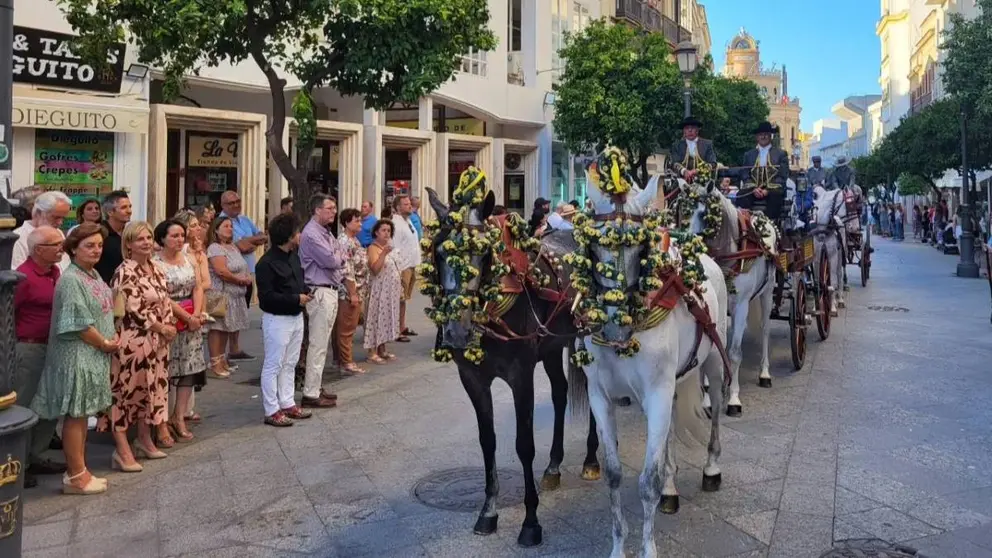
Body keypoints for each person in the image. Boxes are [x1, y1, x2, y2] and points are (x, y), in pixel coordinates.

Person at [30, 223, 118, 494]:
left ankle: (80, 471)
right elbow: (76, 323)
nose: (96, 250)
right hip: (76, 356)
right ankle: (76, 474)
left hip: (90, 355)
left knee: (81, 415)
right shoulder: (71, 280)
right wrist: (104, 342)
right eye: (89, 246)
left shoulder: (90, 274)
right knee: (76, 416)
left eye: (99, 245)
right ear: (74, 249)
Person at [99, 221, 176, 470]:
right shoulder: (125, 271)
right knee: (127, 393)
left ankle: (144, 439)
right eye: (140, 239)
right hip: (134, 341)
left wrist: (169, 325)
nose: (146, 242)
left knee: (151, 391)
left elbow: (165, 300)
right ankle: (122, 448)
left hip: (157, 342)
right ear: (129, 244)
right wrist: (160, 327)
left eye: (149, 237)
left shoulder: (155, 268)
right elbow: (134, 310)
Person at [14, 226, 69, 488]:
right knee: (25, 405)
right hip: (30, 347)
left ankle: (35, 454)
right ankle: (17, 464)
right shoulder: (23, 278)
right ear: (38, 250)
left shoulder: (55, 272)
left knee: (49, 405)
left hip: (53, 346)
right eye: (55, 244)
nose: (62, 247)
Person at [255, 213, 313, 427]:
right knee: (274, 364)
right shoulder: (266, 263)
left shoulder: (293, 256)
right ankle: (271, 409)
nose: (299, 235)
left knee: (290, 362)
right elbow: (266, 298)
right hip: (277, 320)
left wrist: (305, 292)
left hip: (296, 316)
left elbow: (298, 281)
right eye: (297, 232)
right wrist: (295, 298)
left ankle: (287, 402)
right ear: (289, 236)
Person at [153, 219, 207, 442]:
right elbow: (161, 295)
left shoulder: (189, 259)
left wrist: (197, 314)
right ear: (162, 238)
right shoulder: (156, 263)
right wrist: (184, 316)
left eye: (181, 235)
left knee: (188, 370)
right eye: (173, 235)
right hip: (169, 319)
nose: (178, 239)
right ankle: (162, 420)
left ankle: (179, 416)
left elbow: (198, 286)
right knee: (165, 372)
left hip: (191, 319)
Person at [298, 194, 343, 408]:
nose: (333, 211)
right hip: (320, 290)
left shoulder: (326, 232)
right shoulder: (311, 233)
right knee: (318, 343)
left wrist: (337, 255)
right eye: (329, 208)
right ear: (317, 210)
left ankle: (315, 385)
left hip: (330, 288)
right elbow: (331, 259)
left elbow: (338, 254)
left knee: (322, 344)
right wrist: (337, 255)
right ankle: (311, 392)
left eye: (334, 208)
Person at [218, 190, 267, 361]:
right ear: (223, 205)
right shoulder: (222, 222)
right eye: (231, 203)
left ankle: (235, 348)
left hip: (247, 271)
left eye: (238, 201)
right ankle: (221, 353)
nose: (236, 205)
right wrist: (249, 242)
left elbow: (262, 236)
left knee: (240, 311)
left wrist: (249, 241)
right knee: (227, 314)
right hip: (231, 273)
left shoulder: (245, 219)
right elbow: (239, 245)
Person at [205, 216, 252, 377]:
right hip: (221, 294)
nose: (229, 229)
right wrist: (239, 280)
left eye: (231, 226)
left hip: (235, 296)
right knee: (217, 328)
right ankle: (214, 362)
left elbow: (242, 265)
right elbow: (221, 271)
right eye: (225, 226)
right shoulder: (215, 248)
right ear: (216, 230)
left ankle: (222, 359)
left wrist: (246, 277)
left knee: (227, 328)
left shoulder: (233, 247)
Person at [333, 208, 369, 375]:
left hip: (356, 289)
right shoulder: (345, 241)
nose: (360, 223)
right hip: (348, 292)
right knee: (347, 328)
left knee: (345, 327)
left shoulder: (353, 240)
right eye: (356, 220)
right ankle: (346, 362)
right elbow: (347, 270)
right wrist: (352, 293)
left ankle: (340, 360)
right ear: (346, 223)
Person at [736, 121, 790, 222]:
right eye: (761, 134)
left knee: (775, 197)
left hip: (773, 189)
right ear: (757, 137)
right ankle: (746, 225)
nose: (763, 137)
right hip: (753, 188)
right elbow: (744, 173)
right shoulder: (749, 154)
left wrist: (767, 190)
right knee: (741, 195)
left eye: (766, 134)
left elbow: (783, 175)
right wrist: (754, 188)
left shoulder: (781, 154)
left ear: (770, 136)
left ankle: (768, 226)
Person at [364, 219, 401, 364]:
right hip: (378, 290)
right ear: (376, 232)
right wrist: (384, 253)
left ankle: (382, 348)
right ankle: (372, 351)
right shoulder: (373, 248)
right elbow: (375, 268)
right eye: (383, 230)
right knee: (375, 317)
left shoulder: (390, 247)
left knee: (385, 319)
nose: (387, 233)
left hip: (390, 290)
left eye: (389, 231)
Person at [12, 191, 71, 269]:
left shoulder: (58, 232)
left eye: (63, 218)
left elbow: (65, 264)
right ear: (38, 213)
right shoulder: (18, 237)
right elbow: (18, 273)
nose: (60, 223)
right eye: (55, 217)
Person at [391, 195, 420, 342]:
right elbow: (395, 247)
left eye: (409, 203)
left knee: (404, 299)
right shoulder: (395, 224)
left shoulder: (407, 221)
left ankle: (402, 326)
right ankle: (395, 329)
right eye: (405, 204)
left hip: (411, 264)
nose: (409, 206)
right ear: (397, 207)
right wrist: (398, 268)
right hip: (402, 266)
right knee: (398, 298)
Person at [96, 191, 133, 284]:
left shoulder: (130, 233)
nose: (129, 211)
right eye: (124, 207)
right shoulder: (98, 233)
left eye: (130, 206)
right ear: (110, 212)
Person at [668, 116, 718, 181]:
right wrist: (684, 171)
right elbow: (674, 163)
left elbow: (713, 163)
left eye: (693, 128)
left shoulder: (707, 144)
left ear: (697, 130)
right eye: (687, 128)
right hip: (681, 180)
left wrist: (697, 171)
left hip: (703, 181)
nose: (690, 130)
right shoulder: (676, 145)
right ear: (684, 131)